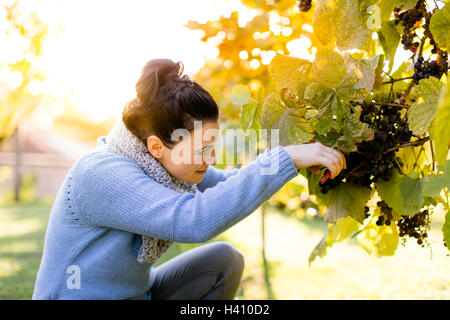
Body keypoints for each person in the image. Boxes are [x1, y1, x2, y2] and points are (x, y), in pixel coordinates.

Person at [32, 58, 346, 300]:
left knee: (223, 261)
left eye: (213, 147)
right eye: (202, 149)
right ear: (156, 146)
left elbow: (228, 185)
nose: (210, 159)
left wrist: (300, 163)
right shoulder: (101, 175)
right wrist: (286, 158)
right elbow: (193, 220)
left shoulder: (162, 164)